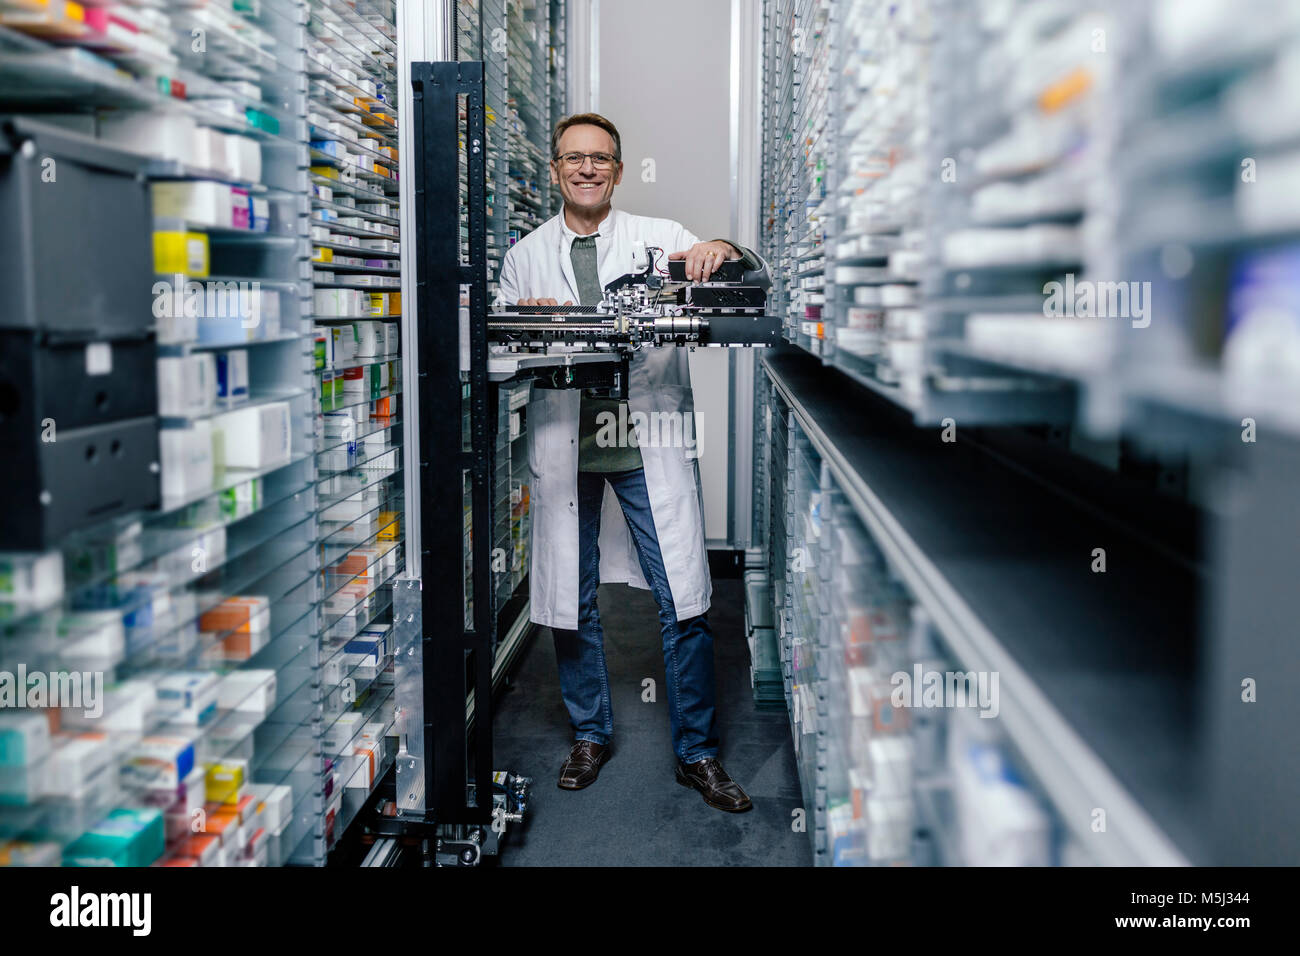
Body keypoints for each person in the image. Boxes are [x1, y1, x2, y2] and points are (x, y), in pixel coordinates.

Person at [497, 112, 754, 812]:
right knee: (568, 602)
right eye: (573, 158)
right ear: (554, 169)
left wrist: (717, 248)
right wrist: (531, 327)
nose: (587, 169)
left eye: (601, 158)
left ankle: (697, 752)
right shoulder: (524, 257)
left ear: (616, 168)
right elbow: (496, 354)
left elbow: (733, 266)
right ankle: (589, 733)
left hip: (643, 439)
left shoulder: (660, 237)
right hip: (564, 438)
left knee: (686, 598)